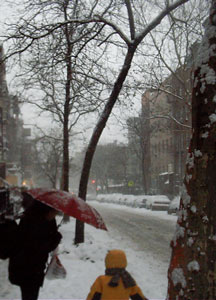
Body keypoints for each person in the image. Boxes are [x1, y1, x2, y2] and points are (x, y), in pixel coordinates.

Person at [8, 196, 62, 300]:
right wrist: (56, 238)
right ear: (47, 209)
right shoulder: (34, 222)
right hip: (27, 268)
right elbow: (40, 247)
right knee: (30, 295)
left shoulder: (42, 218)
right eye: (55, 211)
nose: (56, 214)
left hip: (32, 268)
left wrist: (54, 234)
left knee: (29, 295)